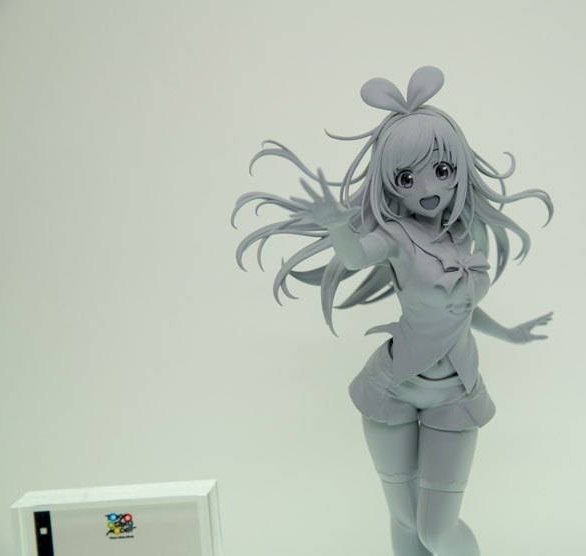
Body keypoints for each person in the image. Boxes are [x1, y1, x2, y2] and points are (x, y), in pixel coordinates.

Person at [233, 66, 553, 556]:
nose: (427, 187)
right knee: (405, 522)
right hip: (392, 388)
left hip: (455, 394)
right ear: (392, 184)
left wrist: (510, 333)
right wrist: (337, 227)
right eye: (407, 177)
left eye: (441, 170)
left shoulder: (461, 236)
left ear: (459, 168)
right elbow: (355, 257)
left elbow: (459, 312)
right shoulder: (397, 235)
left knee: (437, 532)